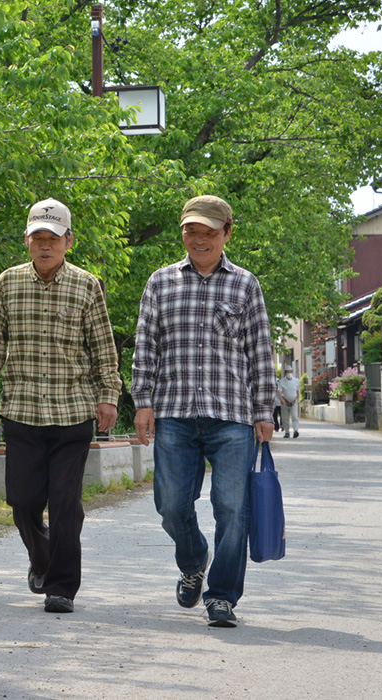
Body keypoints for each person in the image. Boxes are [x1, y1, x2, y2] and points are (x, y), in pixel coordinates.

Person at [131, 195, 275, 629]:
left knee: (232, 508)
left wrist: (264, 409)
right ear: (183, 233)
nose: (199, 239)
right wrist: (143, 402)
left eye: (209, 232)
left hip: (232, 414)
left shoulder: (246, 285)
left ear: (228, 231)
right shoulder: (160, 282)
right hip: (173, 412)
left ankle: (222, 596)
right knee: (171, 506)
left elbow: (261, 352)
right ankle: (194, 560)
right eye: (192, 231)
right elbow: (146, 346)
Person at [0, 198, 120, 615]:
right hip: (20, 410)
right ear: (26, 240)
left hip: (72, 411)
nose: (45, 245)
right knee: (21, 501)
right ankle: (41, 557)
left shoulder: (87, 285)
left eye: (53, 238)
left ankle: (61, 586)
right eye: (38, 237)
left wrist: (108, 395)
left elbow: (103, 349)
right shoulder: (7, 282)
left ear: (68, 241)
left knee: (65, 504)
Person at [278, 369, 301, 438]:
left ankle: (296, 430)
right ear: (285, 373)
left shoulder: (296, 380)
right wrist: (281, 399)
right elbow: (279, 391)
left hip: (294, 401)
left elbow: (297, 391)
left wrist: (298, 399)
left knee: (295, 416)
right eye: (288, 372)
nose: (289, 373)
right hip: (285, 401)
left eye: (290, 371)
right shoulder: (282, 381)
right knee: (285, 417)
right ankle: (287, 432)